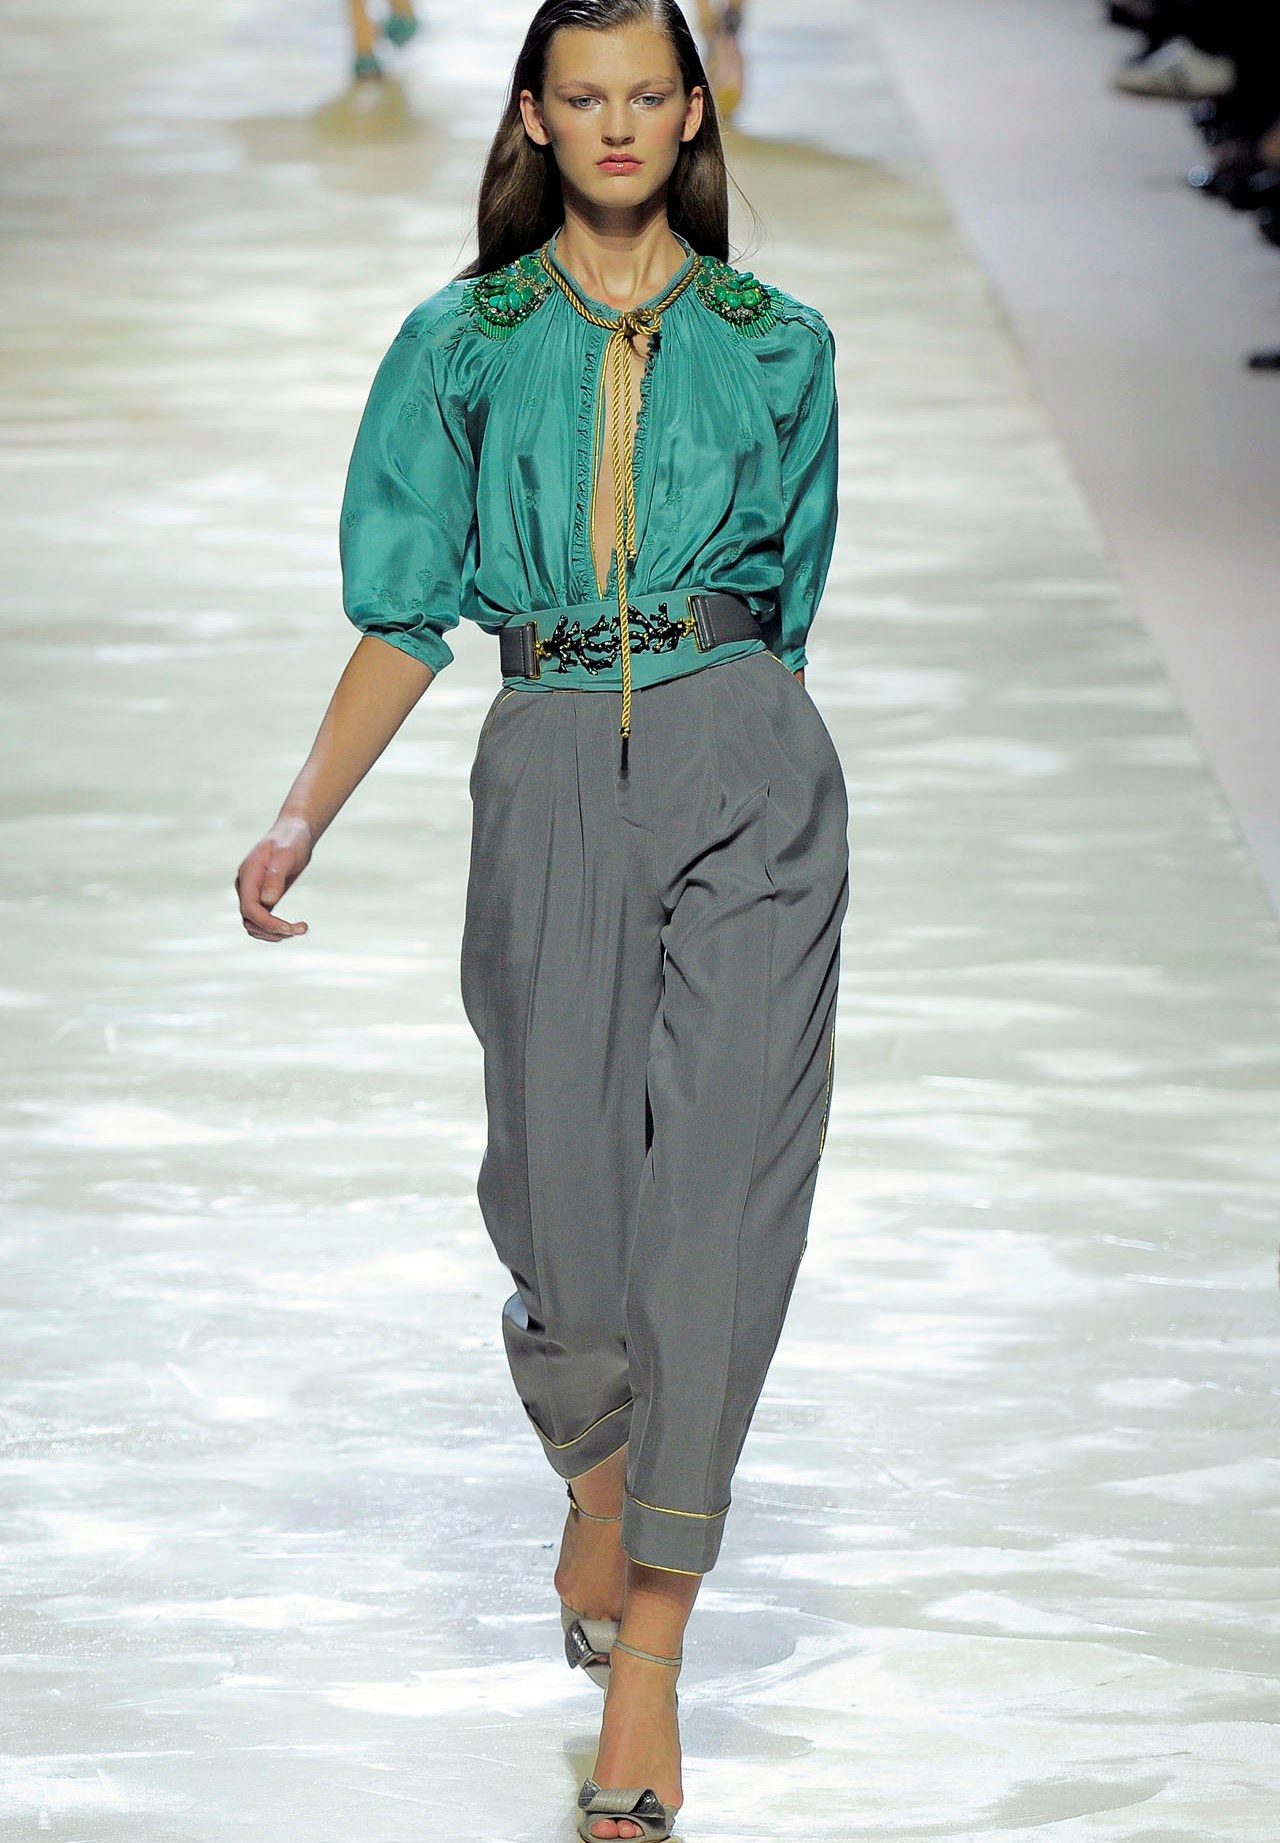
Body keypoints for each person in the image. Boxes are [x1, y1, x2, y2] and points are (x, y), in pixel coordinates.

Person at [234, 1, 849, 1835]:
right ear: (533, 115)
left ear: (694, 110)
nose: (617, 123)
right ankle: (599, 1471)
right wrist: (300, 816)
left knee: (720, 1203)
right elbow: (405, 611)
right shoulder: (461, 343)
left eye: (648, 93)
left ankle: (650, 1656)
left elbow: (790, 603)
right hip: (553, 755)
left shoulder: (782, 343)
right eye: (583, 96)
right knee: (563, 1211)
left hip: (747, 760)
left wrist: (737, 744)